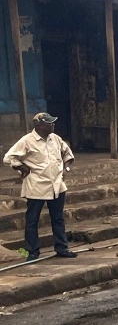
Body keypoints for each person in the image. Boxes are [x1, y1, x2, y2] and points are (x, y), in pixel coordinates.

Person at [3, 112, 77, 261]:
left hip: (57, 185)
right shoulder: (27, 141)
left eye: (52, 122)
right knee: (32, 220)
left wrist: (65, 168)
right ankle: (33, 251)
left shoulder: (55, 139)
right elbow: (9, 158)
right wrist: (22, 167)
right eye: (49, 123)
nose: (53, 125)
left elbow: (68, 154)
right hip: (36, 186)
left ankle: (62, 247)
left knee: (58, 219)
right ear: (40, 126)